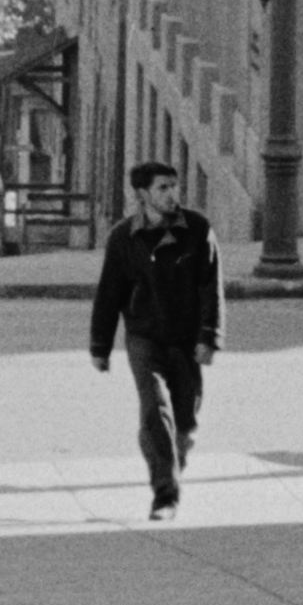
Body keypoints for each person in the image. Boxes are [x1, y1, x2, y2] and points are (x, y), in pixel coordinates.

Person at [89, 159, 223, 516]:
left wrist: (209, 337)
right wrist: (100, 346)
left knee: (186, 421)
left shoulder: (197, 229)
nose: (172, 194)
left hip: (185, 337)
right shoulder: (123, 237)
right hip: (143, 336)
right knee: (154, 409)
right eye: (163, 187)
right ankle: (166, 495)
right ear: (143, 194)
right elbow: (109, 293)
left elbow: (211, 287)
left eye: (174, 186)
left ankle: (169, 456)